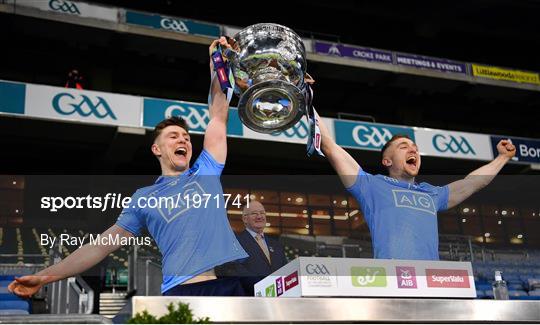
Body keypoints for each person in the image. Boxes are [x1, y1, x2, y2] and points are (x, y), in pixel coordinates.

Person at [9, 37, 249, 298]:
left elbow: (218, 114)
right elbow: (100, 247)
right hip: (178, 292)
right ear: (156, 149)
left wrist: (218, 66)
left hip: (226, 285)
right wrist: (46, 276)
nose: (183, 140)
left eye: (186, 138)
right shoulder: (144, 198)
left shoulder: (206, 170)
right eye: (173, 136)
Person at [317, 115, 516, 260]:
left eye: (415, 148)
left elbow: (474, 182)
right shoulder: (370, 185)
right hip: (391, 280)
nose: (413, 149)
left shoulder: (432, 193)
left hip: (431, 281)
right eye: (403, 147)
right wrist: (305, 94)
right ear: (387, 161)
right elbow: (329, 145)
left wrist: (502, 158)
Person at [230, 200, 288, 295]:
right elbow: (234, 269)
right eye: (254, 213)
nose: (259, 216)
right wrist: (261, 286)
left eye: (262, 213)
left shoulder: (277, 245)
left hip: (278, 298)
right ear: (245, 219)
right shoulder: (236, 242)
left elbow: (286, 270)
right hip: (250, 297)